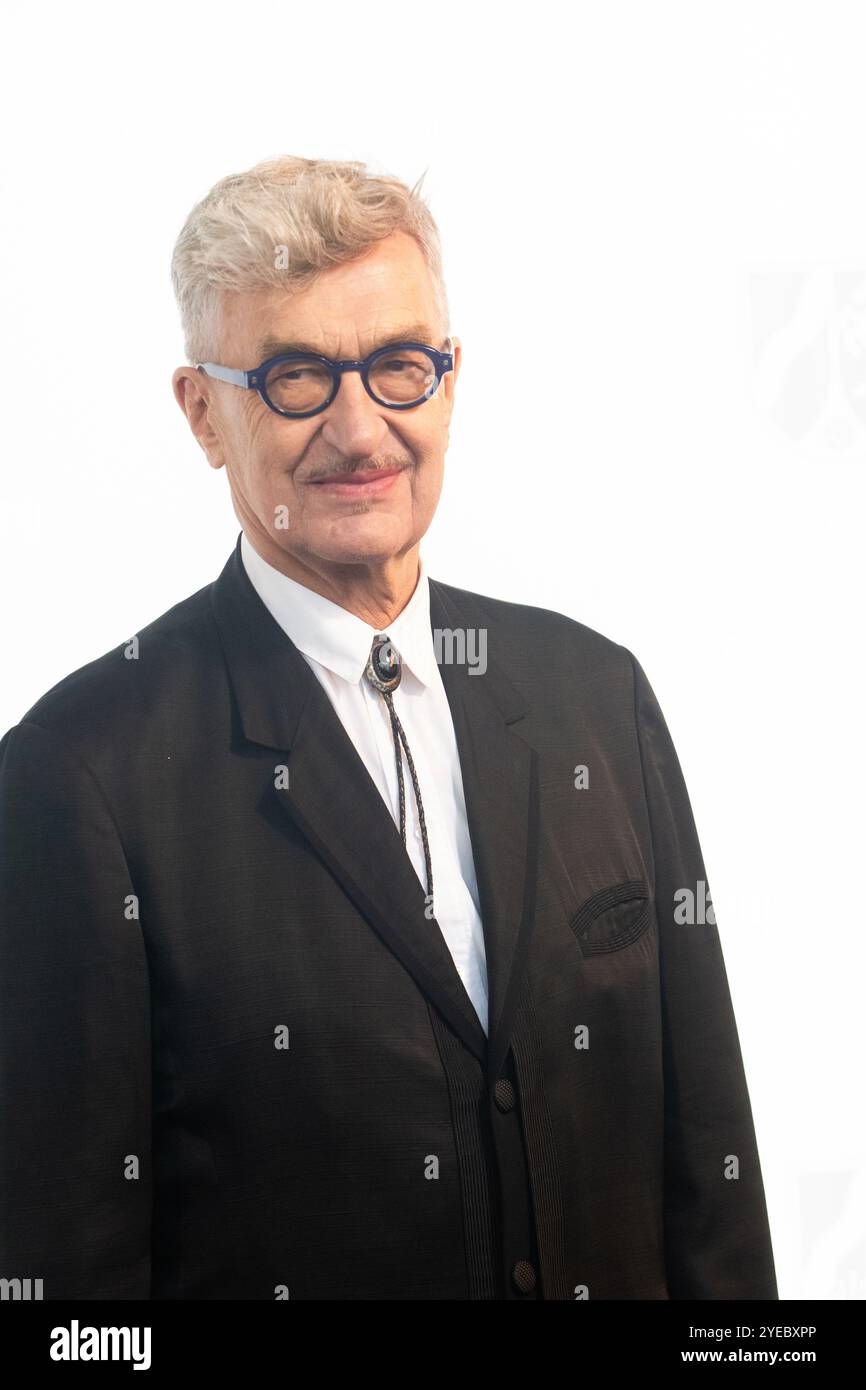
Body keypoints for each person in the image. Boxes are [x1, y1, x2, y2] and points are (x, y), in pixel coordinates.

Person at [0, 155, 777, 1300]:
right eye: (296, 376)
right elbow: (67, 1291)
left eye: (398, 366)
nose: (360, 431)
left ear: (450, 381)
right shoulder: (76, 775)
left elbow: (709, 1180)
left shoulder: (594, 695)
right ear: (203, 412)